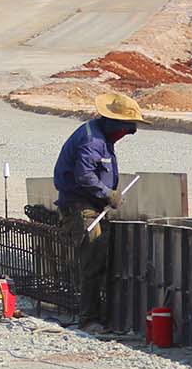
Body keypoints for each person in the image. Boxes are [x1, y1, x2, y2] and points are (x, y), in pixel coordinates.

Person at [52, 91, 148, 330]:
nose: (126, 134)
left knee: (96, 261)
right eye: (127, 129)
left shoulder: (100, 136)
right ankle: (89, 320)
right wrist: (107, 193)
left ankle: (95, 315)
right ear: (115, 123)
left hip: (89, 207)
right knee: (92, 263)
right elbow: (84, 175)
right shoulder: (92, 141)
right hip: (81, 209)